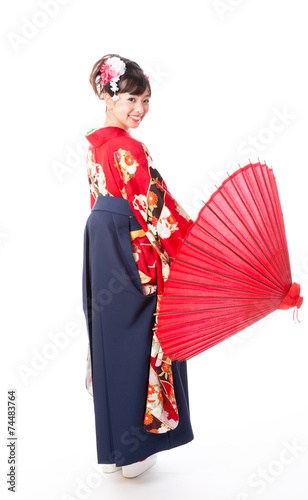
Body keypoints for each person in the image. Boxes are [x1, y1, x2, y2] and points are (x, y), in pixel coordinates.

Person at [82, 54, 194, 479]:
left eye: (146, 101)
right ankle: (140, 445)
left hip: (102, 245)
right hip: (134, 252)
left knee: (113, 340)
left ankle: (114, 448)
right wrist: (199, 245)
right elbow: (157, 211)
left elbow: (101, 204)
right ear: (107, 96)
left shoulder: (97, 144)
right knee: (147, 336)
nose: (139, 110)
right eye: (131, 99)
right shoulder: (128, 147)